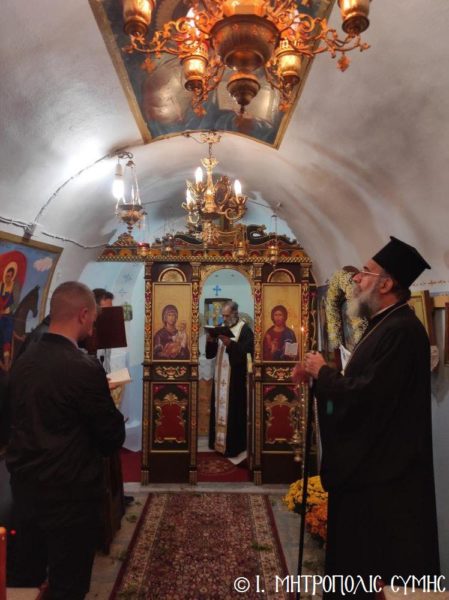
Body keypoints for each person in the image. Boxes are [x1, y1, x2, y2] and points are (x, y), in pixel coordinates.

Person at [295, 237, 440, 597]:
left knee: (373, 567)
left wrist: (322, 373)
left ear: (386, 284)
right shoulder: (383, 324)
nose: (356, 280)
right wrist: (322, 377)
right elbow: (360, 387)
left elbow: (365, 397)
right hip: (371, 474)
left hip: (384, 482)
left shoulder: (402, 331)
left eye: (365, 272)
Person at [6, 281, 125, 599]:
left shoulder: (22, 361)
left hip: (25, 491)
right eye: (94, 319)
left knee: (25, 580)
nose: (94, 326)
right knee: (68, 585)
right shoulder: (83, 368)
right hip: (70, 497)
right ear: (84, 315)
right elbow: (111, 437)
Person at [206, 301, 253, 462]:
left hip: (235, 381)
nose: (224, 319)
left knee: (234, 412)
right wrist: (210, 341)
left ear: (235, 313)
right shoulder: (220, 327)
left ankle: (233, 446)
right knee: (218, 407)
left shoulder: (244, 330)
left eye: (227, 316)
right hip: (220, 379)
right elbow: (210, 355)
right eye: (223, 316)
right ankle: (217, 443)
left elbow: (248, 353)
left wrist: (230, 344)